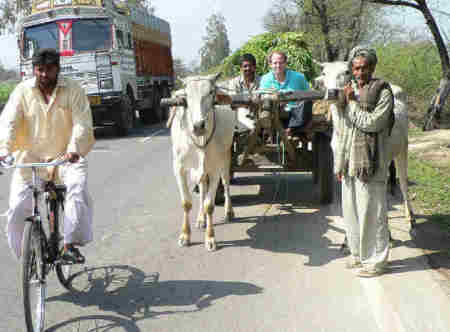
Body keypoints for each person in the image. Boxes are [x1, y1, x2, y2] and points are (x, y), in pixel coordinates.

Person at [0, 48, 95, 264]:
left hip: (65, 157)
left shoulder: (73, 89)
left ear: (57, 69)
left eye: (49, 70)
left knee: (77, 189)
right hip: (30, 159)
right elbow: (9, 122)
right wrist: (4, 150)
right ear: (34, 69)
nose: (44, 74)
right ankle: (27, 257)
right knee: (16, 208)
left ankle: (69, 245)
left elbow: (82, 123)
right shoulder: (22, 91)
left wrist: (74, 149)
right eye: (39, 70)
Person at [335, 46, 395, 277]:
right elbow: (343, 131)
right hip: (351, 161)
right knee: (351, 212)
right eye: (357, 68)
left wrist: (350, 104)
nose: (361, 72)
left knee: (373, 213)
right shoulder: (348, 91)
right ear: (352, 69)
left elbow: (372, 123)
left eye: (365, 68)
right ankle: (358, 254)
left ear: (373, 68)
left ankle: (376, 262)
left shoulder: (382, 92)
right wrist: (340, 163)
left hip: (372, 162)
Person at [259, 51, 312, 139]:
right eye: (275, 63)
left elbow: (309, 94)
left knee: (307, 102)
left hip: (295, 113)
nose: (278, 66)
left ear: (286, 63)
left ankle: (290, 130)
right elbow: (262, 96)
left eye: (281, 63)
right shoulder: (265, 79)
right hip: (274, 113)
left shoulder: (299, 77)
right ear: (270, 64)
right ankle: (268, 131)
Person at [228, 53, 262, 166]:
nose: (247, 69)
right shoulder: (234, 83)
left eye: (250, 66)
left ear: (254, 67)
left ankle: (255, 140)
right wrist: (246, 104)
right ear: (241, 68)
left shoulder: (262, 80)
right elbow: (232, 101)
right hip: (239, 114)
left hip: (259, 113)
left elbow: (264, 98)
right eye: (245, 66)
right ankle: (247, 142)